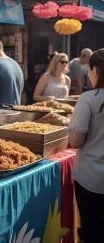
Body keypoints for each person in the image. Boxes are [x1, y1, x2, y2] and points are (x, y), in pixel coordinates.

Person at [68, 48, 104, 242]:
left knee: (91, 229)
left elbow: (75, 141)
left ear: (95, 70)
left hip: (91, 179)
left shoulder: (89, 99)